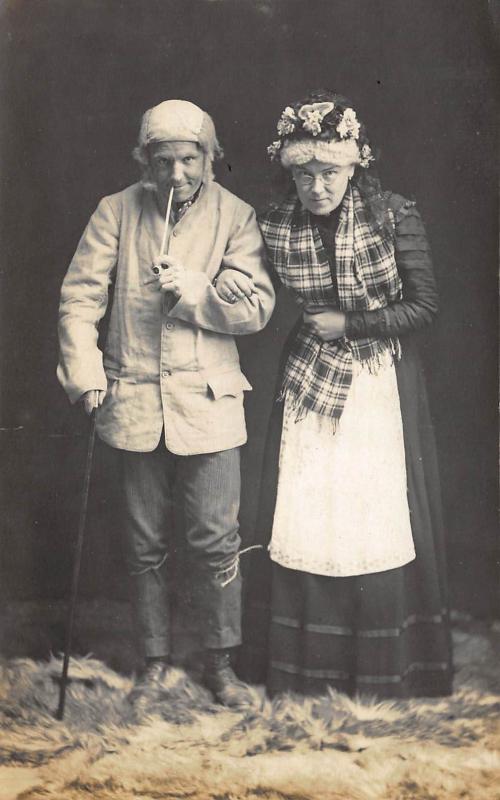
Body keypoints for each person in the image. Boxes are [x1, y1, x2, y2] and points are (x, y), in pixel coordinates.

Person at [216, 90, 452, 699]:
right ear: (290, 173)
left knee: (370, 511)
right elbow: (248, 275)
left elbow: (423, 308)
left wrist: (351, 325)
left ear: (354, 166)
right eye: (304, 174)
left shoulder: (393, 215)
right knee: (309, 508)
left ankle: (377, 666)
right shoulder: (277, 224)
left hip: (377, 381)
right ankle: (302, 664)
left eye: (329, 173)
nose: (316, 187)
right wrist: (231, 284)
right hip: (309, 383)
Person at [57, 99, 275, 707]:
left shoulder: (237, 216)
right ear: (144, 161)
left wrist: (197, 292)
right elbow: (78, 300)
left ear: (211, 157)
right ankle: (154, 662)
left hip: (209, 405)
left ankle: (221, 664)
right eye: (162, 162)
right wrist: (85, 370)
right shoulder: (114, 212)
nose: (175, 175)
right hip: (129, 403)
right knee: (143, 540)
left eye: (188, 160)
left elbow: (257, 309)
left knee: (215, 538)